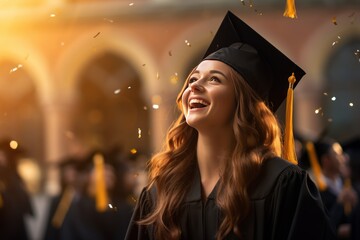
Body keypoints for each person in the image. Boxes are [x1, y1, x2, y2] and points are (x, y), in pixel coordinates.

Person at [125, 11, 336, 240]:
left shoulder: (281, 184)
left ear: (242, 101)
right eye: (193, 79)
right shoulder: (160, 191)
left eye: (214, 79)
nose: (194, 87)